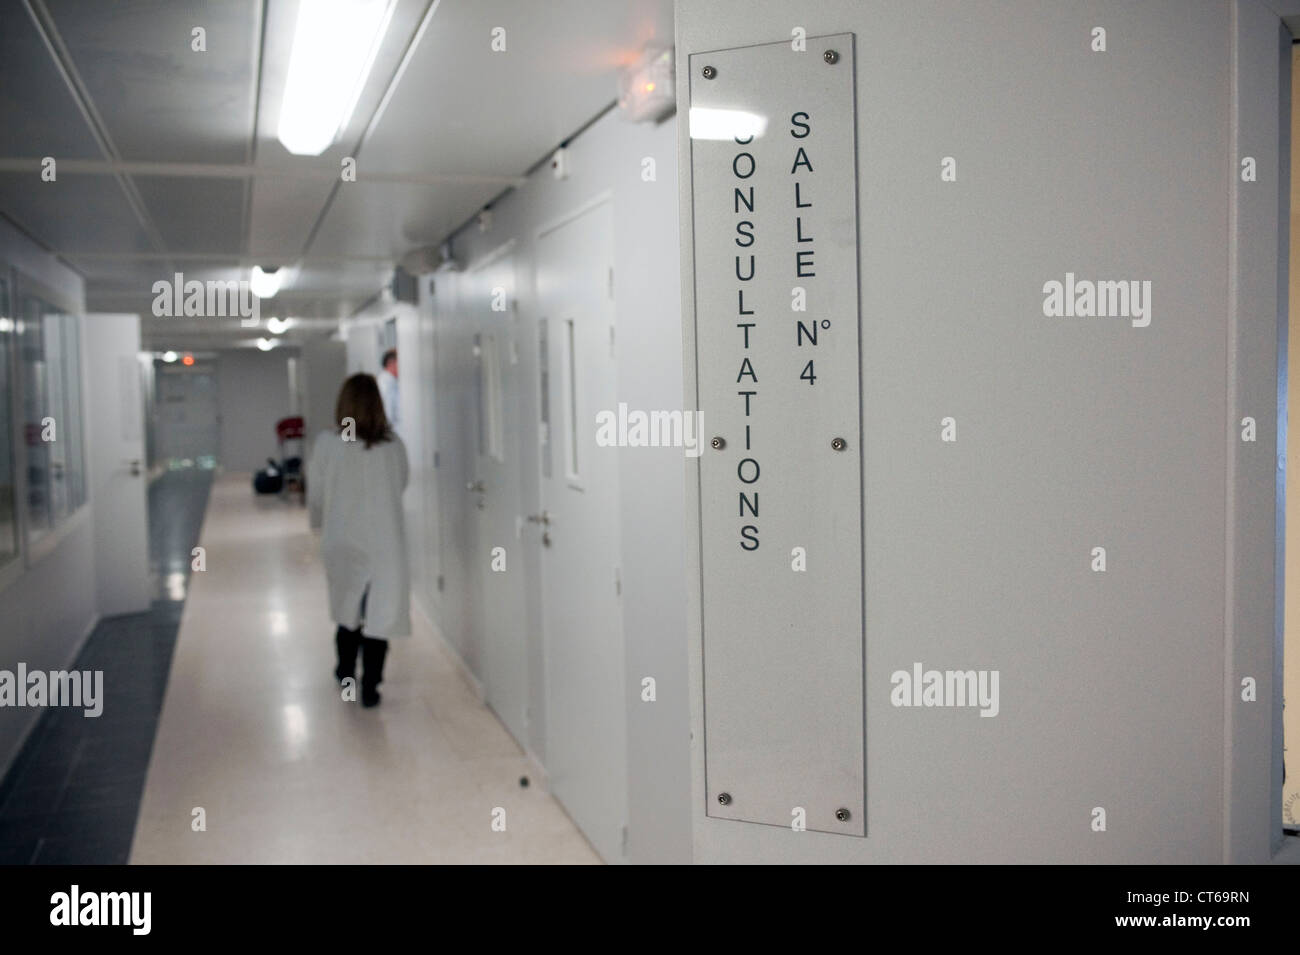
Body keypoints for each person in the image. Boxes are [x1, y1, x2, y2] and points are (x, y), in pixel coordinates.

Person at [307, 373, 410, 707]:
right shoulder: (393, 446)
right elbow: (402, 485)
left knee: (348, 611)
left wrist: (319, 523)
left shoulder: (328, 444)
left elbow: (318, 495)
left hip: (343, 540)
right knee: (378, 615)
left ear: (344, 405)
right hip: (384, 542)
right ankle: (371, 687)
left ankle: (347, 674)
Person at [377, 348, 400, 435]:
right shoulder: (385, 384)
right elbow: (387, 415)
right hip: (392, 433)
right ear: (391, 363)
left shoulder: (392, 382)